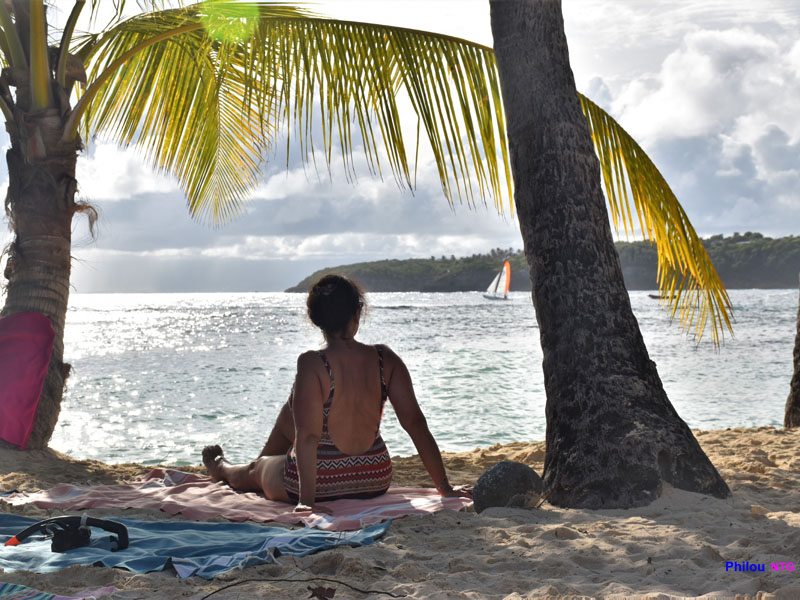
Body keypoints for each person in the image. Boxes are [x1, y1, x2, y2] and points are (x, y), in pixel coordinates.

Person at [202, 274, 470, 514]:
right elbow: (415, 423)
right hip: (373, 476)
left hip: (318, 484)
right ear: (357, 314)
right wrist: (444, 487)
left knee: (255, 471)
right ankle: (260, 461)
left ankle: (222, 468)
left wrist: (307, 501)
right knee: (293, 408)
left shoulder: (313, 363)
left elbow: (307, 436)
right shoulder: (384, 359)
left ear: (315, 319)